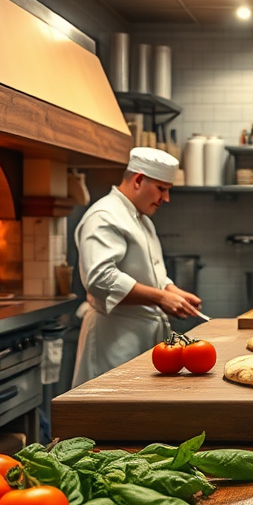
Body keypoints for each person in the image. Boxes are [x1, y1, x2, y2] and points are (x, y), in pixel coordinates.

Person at [72, 147, 202, 387]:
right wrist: (160, 298)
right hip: (113, 338)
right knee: (109, 416)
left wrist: (171, 291)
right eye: (162, 189)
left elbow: (150, 271)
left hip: (140, 336)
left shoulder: (141, 219)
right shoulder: (104, 216)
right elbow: (100, 278)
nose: (166, 198)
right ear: (139, 180)